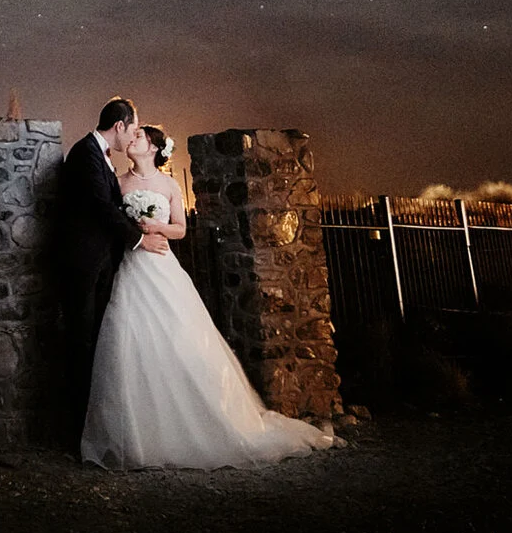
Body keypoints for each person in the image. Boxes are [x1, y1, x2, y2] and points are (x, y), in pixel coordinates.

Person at [80, 124, 341, 469]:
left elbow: (181, 228)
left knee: (179, 337)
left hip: (160, 266)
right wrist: (134, 233)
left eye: (140, 136)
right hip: (130, 268)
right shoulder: (120, 182)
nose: (133, 139)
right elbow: (111, 220)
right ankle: (138, 435)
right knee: (129, 339)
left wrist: (155, 227)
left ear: (155, 148)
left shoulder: (169, 184)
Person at [56, 97, 150, 431]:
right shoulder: (85, 154)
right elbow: (99, 206)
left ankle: (94, 419)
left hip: (99, 263)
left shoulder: (101, 156)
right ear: (119, 126)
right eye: (133, 129)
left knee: (95, 338)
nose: (133, 137)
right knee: (80, 339)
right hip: (82, 264)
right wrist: (139, 238)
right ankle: (76, 424)